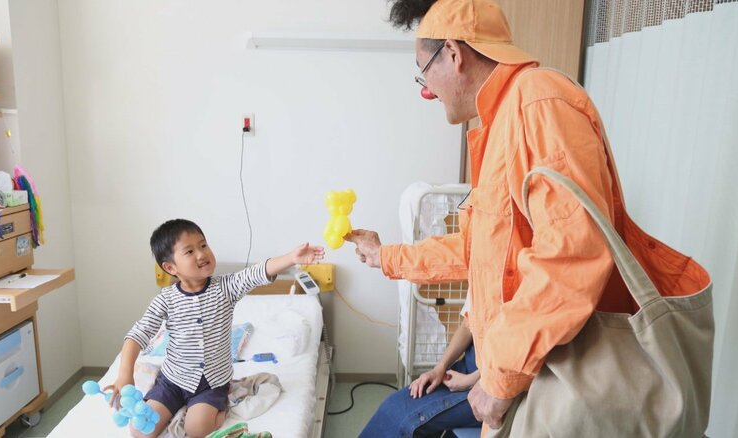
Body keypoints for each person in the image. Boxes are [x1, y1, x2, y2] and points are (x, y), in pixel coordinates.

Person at [348, 0, 638, 431]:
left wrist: (498, 380)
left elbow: (571, 258)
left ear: (452, 53)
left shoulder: (539, 104)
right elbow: (475, 249)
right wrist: (385, 256)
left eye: (422, 73)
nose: (427, 91)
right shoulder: (502, 121)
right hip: (512, 360)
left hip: (543, 370)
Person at [105, 219, 324, 438]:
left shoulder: (226, 288)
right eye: (189, 251)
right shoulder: (166, 300)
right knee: (140, 430)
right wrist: (125, 375)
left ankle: (220, 408)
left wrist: (291, 258)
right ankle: (179, 407)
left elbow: (256, 273)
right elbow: (137, 335)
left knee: (197, 430)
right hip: (173, 380)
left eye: (203, 245)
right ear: (170, 268)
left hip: (211, 383)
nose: (201, 254)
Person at [360, 295, 482, 437]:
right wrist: (440, 368)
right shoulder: (480, 283)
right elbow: (469, 323)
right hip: (468, 369)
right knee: (393, 406)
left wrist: (469, 380)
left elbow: (505, 362)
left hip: (491, 387)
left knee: (408, 422)